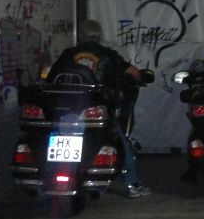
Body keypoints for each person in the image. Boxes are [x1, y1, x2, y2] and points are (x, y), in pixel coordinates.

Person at [51, 19, 150, 198]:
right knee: (121, 141)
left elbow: (51, 77)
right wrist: (137, 78)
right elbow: (135, 73)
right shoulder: (108, 55)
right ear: (99, 36)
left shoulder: (68, 54)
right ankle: (132, 184)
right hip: (97, 111)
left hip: (68, 111)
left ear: (80, 35)